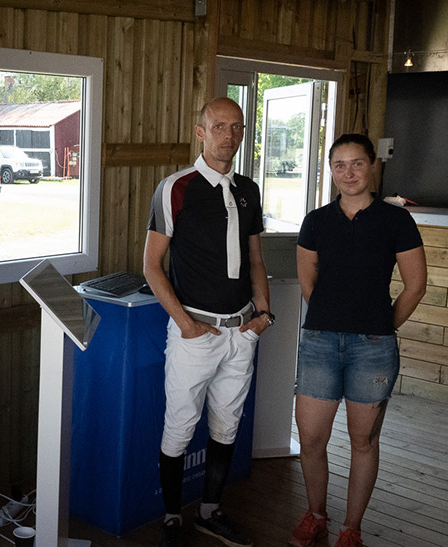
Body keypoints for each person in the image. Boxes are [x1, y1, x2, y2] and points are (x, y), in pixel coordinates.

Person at [143, 97, 272, 547]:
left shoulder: (248, 189)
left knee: (227, 424)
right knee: (179, 425)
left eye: (237, 127)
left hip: (242, 331)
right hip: (196, 332)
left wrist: (263, 315)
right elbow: (152, 266)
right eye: (219, 126)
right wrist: (184, 323)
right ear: (200, 132)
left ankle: (209, 512)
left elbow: (256, 259)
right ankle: (171, 518)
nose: (229, 135)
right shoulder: (175, 188)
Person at [288, 134, 427, 547]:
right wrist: (333, 317)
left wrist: (382, 326)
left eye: (357, 163)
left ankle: (351, 529)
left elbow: (415, 286)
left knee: (363, 441)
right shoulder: (316, 221)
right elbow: (308, 282)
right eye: (340, 165)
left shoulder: (396, 221)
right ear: (331, 170)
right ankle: (316, 515)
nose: (348, 173)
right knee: (311, 439)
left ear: (372, 166)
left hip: (373, 348)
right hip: (320, 343)